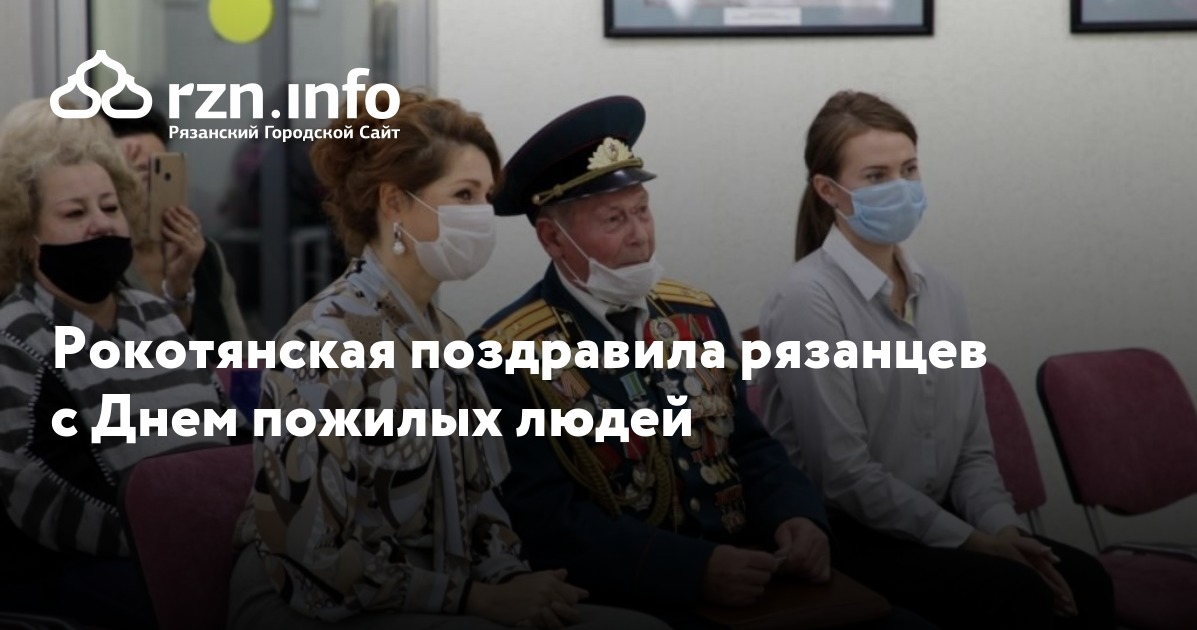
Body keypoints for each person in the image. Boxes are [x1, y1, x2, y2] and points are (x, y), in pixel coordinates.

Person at [469, 96, 927, 629]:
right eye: (614, 219)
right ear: (553, 238)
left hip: (756, 573)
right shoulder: (506, 354)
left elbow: (748, 444)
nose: (639, 234)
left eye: (642, 210)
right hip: (636, 596)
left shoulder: (695, 314)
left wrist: (797, 516)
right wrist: (693, 570)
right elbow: (547, 522)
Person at [230, 88, 668, 630]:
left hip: (436, 589)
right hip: (316, 604)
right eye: (463, 194)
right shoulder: (326, 341)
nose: (482, 215)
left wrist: (511, 579)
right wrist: (474, 599)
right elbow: (310, 557)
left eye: (486, 196)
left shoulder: (443, 334)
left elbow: (480, 501)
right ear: (395, 203)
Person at [758, 90, 1116, 630]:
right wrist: (976, 544)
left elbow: (972, 448)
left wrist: (1005, 531)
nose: (901, 188)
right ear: (829, 191)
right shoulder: (806, 299)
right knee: (1016, 594)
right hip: (850, 534)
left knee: (1086, 580)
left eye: (909, 169)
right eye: (876, 176)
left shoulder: (944, 293)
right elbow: (844, 474)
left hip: (941, 522)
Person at [0, 99, 234, 628]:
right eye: (74, 214)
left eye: (110, 207)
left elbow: (222, 426)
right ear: (27, 238)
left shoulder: (158, 313)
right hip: (84, 569)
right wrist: (177, 542)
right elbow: (43, 489)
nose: (101, 226)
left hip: (204, 544)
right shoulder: (17, 338)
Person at [101, 104, 250, 344]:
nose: (150, 184)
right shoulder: (97, 264)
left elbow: (242, 354)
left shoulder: (203, 254)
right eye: (136, 172)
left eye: (160, 170)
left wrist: (181, 285)